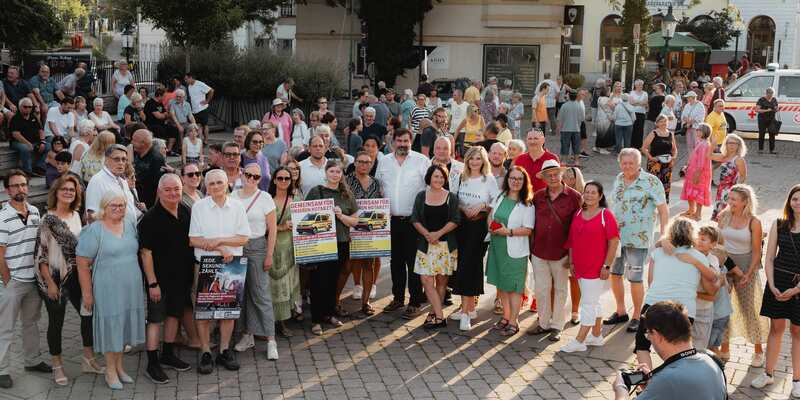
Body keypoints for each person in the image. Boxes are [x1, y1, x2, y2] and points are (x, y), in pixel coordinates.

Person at [36, 176, 103, 386]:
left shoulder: (76, 215)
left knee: (87, 314)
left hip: (76, 276)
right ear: (56, 192)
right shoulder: (48, 220)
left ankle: (88, 359)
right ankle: (57, 366)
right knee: (56, 323)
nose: (68, 192)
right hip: (54, 278)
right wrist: (50, 283)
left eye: (72, 190)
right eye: (64, 189)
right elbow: (41, 255)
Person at [76, 190, 145, 390]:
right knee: (111, 327)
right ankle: (110, 371)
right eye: (113, 206)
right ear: (104, 208)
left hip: (130, 286)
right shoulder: (95, 229)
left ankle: (120, 367)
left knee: (123, 326)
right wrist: (87, 293)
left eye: (121, 205)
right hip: (107, 287)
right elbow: (82, 263)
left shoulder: (131, 225)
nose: (117, 209)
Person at [634, 218, 718, 368]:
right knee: (678, 351)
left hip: (654, 305)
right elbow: (711, 280)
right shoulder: (698, 257)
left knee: (642, 345)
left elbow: (651, 281)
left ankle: (646, 381)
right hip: (684, 309)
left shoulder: (658, 253)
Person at [189, 170, 250, 373]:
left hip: (231, 266)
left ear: (227, 184)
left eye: (219, 182)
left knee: (228, 312)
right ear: (206, 186)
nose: (215, 186)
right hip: (206, 264)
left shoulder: (238, 207)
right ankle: (205, 351)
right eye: (211, 183)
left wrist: (221, 242)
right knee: (205, 313)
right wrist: (220, 249)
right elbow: (193, 240)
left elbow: (243, 238)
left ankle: (224, 350)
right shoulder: (199, 207)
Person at [137, 174, 194, 384]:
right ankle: (152, 363)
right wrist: (152, 283)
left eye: (176, 189)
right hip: (158, 281)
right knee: (155, 320)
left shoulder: (185, 210)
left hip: (182, 277)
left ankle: (167, 354)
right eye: (168, 189)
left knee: (174, 315)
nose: (173, 193)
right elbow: (146, 253)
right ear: (159, 192)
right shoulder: (150, 219)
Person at [605, 149, 669, 333]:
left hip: (638, 239)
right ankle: (620, 311)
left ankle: (637, 316)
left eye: (631, 163)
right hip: (616, 238)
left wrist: (664, 234)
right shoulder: (618, 178)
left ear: (638, 164)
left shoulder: (651, 182)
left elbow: (664, 211)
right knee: (615, 274)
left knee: (635, 278)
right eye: (624, 163)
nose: (627, 166)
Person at [611, 301, 728, 400]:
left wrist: (620, 387)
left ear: (657, 335)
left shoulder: (667, 378)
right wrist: (652, 385)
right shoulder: (711, 359)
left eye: (648, 334)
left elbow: (672, 383)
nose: (649, 339)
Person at [0, 171, 51, 389]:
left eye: (23, 185)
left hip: (32, 279)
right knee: (5, 327)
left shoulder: (35, 211)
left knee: (31, 323)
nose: (21, 189)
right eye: (15, 186)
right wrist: (7, 280)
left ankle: (32, 361)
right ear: (7, 190)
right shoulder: (2, 216)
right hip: (12, 282)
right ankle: (2, 370)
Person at [375, 129, 431, 316]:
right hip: (391, 220)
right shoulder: (384, 161)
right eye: (399, 141)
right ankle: (398, 298)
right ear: (393, 142)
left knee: (413, 262)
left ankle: (415, 301)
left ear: (411, 141)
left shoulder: (421, 161)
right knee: (396, 262)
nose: (403, 144)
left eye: (406, 141)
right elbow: (378, 187)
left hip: (414, 221)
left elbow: (430, 188)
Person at [560, 182, 620, 352]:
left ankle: (579, 341)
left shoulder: (605, 215)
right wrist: (571, 262)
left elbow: (614, 241)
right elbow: (572, 240)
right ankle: (596, 335)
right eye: (587, 192)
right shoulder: (579, 213)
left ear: (600, 196)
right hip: (579, 266)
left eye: (593, 193)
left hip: (595, 268)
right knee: (593, 301)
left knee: (588, 303)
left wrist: (606, 266)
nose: (589, 195)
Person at [525, 159, 581, 340]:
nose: (553, 177)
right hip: (539, 250)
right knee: (541, 289)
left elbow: (578, 227)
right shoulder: (538, 197)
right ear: (544, 178)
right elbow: (530, 222)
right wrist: (530, 247)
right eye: (548, 175)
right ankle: (543, 323)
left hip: (562, 253)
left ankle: (557, 325)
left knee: (560, 289)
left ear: (561, 174)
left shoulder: (574, 197)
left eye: (555, 173)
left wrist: (573, 254)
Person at [752, 185, 800, 393]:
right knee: (776, 329)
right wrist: (771, 284)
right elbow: (769, 257)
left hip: (799, 287)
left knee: (798, 332)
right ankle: (768, 374)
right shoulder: (779, 224)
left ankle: (797, 381)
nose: (798, 202)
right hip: (778, 281)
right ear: (789, 202)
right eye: (795, 199)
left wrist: (796, 289)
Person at [304, 160, 359, 335]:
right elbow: (305, 216)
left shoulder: (346, 194)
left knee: (333, 281)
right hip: (320, 243)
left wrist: (341, 216)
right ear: (326, 172)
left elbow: (355, 221)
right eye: (332, 171)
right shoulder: (316, 191)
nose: (335, 174)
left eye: (338, 172)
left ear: (342, 174)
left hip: (341, 242)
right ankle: (316, 320)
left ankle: (329, 314)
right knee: (317, 281)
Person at [230, 164, 279, 360]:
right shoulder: (232, 196)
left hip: (258, 246)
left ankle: (271, 339)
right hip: (237, 246)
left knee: (261, 294)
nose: (251, 179)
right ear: (242, 174)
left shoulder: (265, 198)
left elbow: (272, 229)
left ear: (260, 179)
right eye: (248, 174)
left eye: (256, 177)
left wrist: (269, 254)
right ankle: (247, 334)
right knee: (240, 294)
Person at [717, 184, 768, 366]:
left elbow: (756, 252)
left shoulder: (754, 222)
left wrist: (748, 273)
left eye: (734, 200)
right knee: (722, 308)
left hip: (747, 265)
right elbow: (718, 244)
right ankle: (724, 347)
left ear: (745, 201)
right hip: (724, 265)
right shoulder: (723, 216)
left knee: (749, 309)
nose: (729, 203)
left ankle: (758, 351)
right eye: (729, 199)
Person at [450, 146, 499, 331]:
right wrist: (463, 208)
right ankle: (469, 309)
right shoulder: (460, 177)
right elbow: (454, 199)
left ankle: (465, 312)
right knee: (463, 265)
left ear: (483, 160)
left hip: (479, 227)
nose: (474, 162)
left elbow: (496, 200)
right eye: (471, 158)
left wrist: (482, 205)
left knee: (471, 266)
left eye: (478, 158)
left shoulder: (489, 179)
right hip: (462, 226)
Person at [485, 166, 534, 336]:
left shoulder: (527, 204)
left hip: (515, 251)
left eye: (519, 179)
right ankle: (506, 317)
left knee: (514, 287)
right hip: (498, 246)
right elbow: (491, 214)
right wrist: (490, 226)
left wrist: (508, 232)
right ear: (508, 180)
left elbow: (528, 229)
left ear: (524, 182)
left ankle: (514, 321)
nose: (515, 182)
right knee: (502, 284)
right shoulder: (500, 195)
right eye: (512, 178)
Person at [411, 164, 460, 329]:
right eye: (435, 176)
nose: (438, 179)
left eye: (441, 177)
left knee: (441, 282)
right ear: (429, 178)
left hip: (445, 246)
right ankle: (440, 317)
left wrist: (438, 234)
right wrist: (427, 234)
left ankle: (433, 313)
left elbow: (455, 220)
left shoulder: (451, 197)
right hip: (426, 245)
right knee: (426, 279)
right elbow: (415, 219)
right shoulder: (421, 196)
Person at [339, 152, 383, 316]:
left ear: (372, 164)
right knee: (347, 266)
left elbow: (380, 205)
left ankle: (366, 302)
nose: (364, 165)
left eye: (368, 162)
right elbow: (342, 203)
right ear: (355, 163)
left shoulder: (376, 183)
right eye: (361, 162)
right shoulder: (346, 180)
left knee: (369, 265)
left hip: (370, 231)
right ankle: (335, 302)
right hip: (350, 228)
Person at [267, 166, 302, 337]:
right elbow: (263, 229)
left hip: (291, 249)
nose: (283, 181)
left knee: (288, 286)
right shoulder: (268, 201)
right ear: (274, 180)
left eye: (286, 178)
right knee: (277, 287)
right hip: (275, 249)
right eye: (280, 178)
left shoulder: (295, 199)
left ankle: (286, 319)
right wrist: (281, 227)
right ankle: (278, 323)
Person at [563, 166, 585, 323]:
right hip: (560, 240)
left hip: (576, 242)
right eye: (564, 176)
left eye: (570, 177)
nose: (566, 179)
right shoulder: (559, 194)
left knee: (574, 278)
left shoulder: (582, 197)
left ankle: (575, 310)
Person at [680, 123, 714, 220]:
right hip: (692, 171)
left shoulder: (704, 145)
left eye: (699, 130)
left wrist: (697, 174)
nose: (697, 131)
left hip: (700, 173)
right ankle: (691, 210)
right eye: (697, 129)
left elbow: (701, 162)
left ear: (705, 132)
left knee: (699, 191)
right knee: (691, 190)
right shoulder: (700, 142)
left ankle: (698, 214)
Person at [711, 134, 748, 221]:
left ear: (739, 146)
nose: (731, 145)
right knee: (720, 214)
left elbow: (743, 176)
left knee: (728, 214)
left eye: (735, 143)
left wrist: (737, 190)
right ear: (725, 144)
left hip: (731, 189)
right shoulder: (724, 157)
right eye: (729, 143)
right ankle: (720, 232)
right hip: (721, 188)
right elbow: (709, 155)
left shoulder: (739, 159)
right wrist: (713, 144)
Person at [641, 114, 678, 203]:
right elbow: (643, 148)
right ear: (657, 123)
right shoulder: (653, 133)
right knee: (653, 183)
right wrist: (651, 158)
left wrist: (674, 157)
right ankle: (650, 202)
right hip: (655, 163)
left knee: (665, 184)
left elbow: (674, 149)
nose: (663, 123)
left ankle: (663, 203)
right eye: (661, 121)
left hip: (667, 163)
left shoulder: (670, 134)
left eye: (665, 121)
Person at [9, 97, 47, 176]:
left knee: (49, 146)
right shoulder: (15, 118)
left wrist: (42, 141)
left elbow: (41, 130)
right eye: (25, 107)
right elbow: (16, 134)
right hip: (18, 142)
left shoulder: (33, 117)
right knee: (25, 148)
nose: (28, 109)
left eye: (30, 107)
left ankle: (39, 167)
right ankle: (27, 171)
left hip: (34, 141)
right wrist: (27, 143)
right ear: (20, 107)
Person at [131, 129, 166, 208]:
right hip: (139, 199)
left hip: (149, 203)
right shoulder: (138, 153)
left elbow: (159, 186)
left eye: (134, 140)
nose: (132, 143)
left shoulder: (157, 159)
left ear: (143, 144)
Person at [144, 88, 180, 155]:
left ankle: (168, 150)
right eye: (163, 96)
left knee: (174, 129)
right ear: (159, 95)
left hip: (161, 124)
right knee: (160, 130)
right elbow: (159, 116)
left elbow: (166, 113)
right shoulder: (150, 103)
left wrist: (163, 115)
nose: (164, 98)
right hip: (151, 124)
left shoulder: (160, 103)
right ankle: (162, 150)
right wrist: (164, 115)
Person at [556, 90, 584, 167]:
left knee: (565, 145)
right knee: (576, 145)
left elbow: (560, 118)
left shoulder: (564, 105)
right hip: (576, 129)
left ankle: (564, 161)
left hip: (565, 129)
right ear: (576, 96)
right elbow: (582, 118)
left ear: (569, 96)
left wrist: (558, 128)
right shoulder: (579, 106)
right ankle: (576, 161)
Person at [680, 91, 706, 170]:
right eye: (687, 98)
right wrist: (686, 121)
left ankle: (698, 160)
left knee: (697, 144)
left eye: (688, 97)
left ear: (693, 97)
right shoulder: (687, 105)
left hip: (696, 128)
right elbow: (683, 115)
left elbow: (701, 117)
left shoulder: (700, 105)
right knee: (689, 145)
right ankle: (691, 160)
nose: (687, 99)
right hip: (688, 128)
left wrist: (690, 121)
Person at [185, 73, 214, 143]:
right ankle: (200, 140)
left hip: (203, 108)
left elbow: (211, 90)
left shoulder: (200, 84)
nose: (185, 80)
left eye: (186, 79)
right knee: (198, 125)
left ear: (191, 77)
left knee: (205, 125)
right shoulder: (189, 86)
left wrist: (207, 101)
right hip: (195, 110)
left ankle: (206, 140)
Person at [755, 87, 780, 154]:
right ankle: (760, 149)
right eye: (769, 94)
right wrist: (766, 110)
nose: (770, 96)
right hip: (762, 119)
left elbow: (777, 108)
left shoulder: (774, 99)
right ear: (766, 93)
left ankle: (772, 150)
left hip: (771, 119)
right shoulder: (761, 100)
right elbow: (757, 110)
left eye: (772, 94)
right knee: (761, 134)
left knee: (772, 134)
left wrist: (776, 109)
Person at [628, 79, 649, 150]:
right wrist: (640, 103)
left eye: (642, 84)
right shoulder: (632, 92)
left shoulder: (645, 93)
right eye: (639, 84)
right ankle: (631, 144)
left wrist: (636, 102)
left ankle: (638, 146)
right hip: (633, 113)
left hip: (641, 114)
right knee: (632, 129)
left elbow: (645, 103)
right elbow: (631, 102)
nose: (641, 86)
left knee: (640, 130)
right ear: (635, 85)